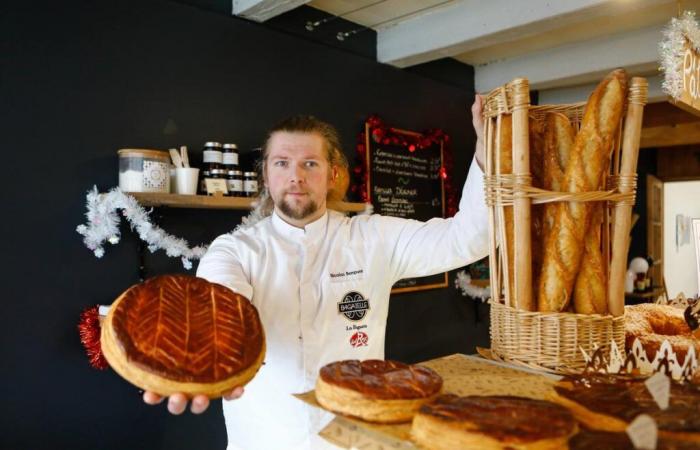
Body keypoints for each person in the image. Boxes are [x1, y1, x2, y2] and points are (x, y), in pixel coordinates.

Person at [144, 96, 488, 449]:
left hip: (355, 442)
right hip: (264, 440)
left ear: (332, 174)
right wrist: (196, 356)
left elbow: (467, 239)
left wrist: (485, 151)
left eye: (310, 163)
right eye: (282, 163)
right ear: (266, 174)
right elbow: (220, 310)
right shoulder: (235, 250)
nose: (295, 176)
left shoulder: (372, 237)